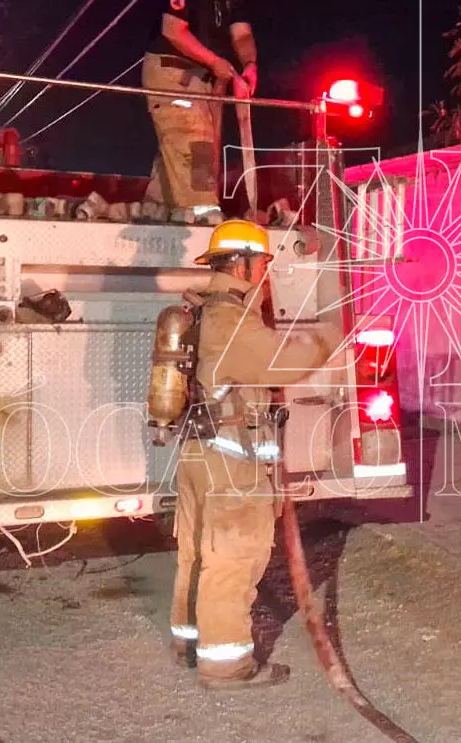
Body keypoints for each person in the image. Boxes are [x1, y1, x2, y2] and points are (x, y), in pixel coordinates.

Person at [168, 219, 337, 689]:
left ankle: (189, 640)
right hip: (230, 464)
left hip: (202, 456)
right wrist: (329, 334)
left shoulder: (200, 310)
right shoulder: (230, 319)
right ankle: (226, 665)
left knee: (198, 555)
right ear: (242, 264)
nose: (267, 271)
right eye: (263, 261)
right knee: (233, 560)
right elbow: (285, 362)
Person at [142, 0, 263, 224]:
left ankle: (155, 207)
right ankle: (203, 215)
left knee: (181, 141)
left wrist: (249, 66)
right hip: (170, 73)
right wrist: (215, 63)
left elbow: (243, 37)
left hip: (201, 82)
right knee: (195, 139)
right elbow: (172, 30)